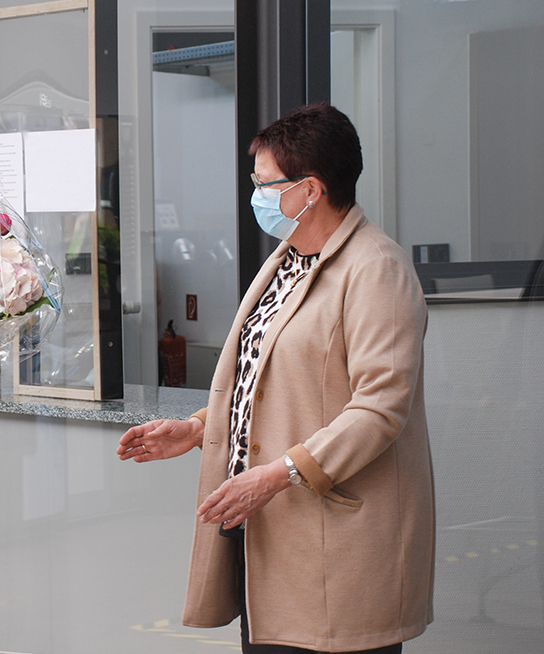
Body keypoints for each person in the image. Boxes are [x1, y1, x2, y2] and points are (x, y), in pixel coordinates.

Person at [118, 103, 434, 653]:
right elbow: (264, 380)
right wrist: (197, 428)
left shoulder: (376, 268)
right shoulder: (288, 260)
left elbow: (381, 407)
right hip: (270, 533)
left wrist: (277, 474)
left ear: (310, 190)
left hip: (335, 540)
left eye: (264, 183)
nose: (256, 193)